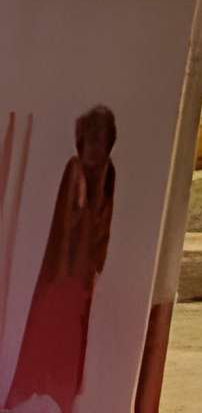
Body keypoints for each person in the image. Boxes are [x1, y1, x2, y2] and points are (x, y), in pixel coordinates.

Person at [5, 106, 118, 413]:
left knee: (72, 335)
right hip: (62, 272)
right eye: (91, 138)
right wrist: (61, 273)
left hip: (81, 274)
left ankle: (62, 391)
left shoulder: (109, 173)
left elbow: (103, 226)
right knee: (51, 326)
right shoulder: (74, 170)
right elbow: (64, 227)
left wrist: (95, 269)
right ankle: (37, 386)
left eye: (102, 139)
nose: (96, 146)